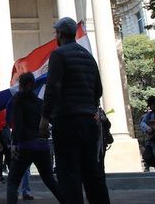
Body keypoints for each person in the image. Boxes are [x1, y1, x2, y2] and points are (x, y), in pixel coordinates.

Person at [39, 17, 109, 204]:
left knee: (68, 173)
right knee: (92, 172)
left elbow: (51, 87)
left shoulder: (58, 54)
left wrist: (45, 117)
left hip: (67, 120)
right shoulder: (88, 56)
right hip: (88, 120)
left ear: (60, 35)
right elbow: (99, 89)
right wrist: (89, 106)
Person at [6, 72, 63, 204]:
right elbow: (51, 120)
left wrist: (14, 143)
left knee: (13, 182)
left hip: (25, 145)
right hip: (42, 146)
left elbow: (17, 124)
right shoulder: (39, 102)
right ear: (32, 84)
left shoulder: (17, 100)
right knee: (50, 180)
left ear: (22, 85)